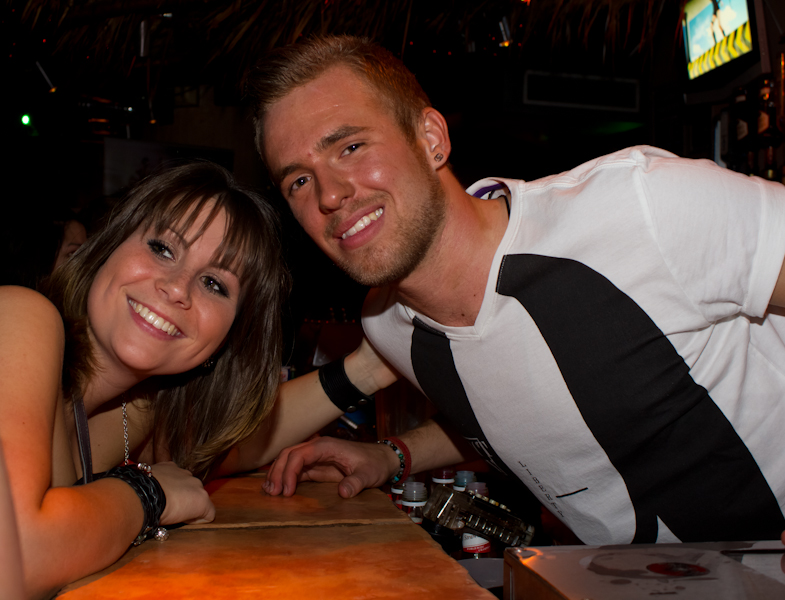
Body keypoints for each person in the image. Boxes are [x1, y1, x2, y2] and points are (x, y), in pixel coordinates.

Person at [247, 35, 785, 546]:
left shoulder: (638, 206)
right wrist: (394, 455)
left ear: (430, 139)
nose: (329, 195)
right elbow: (517, 411)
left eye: (351, 146)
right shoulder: (388, 325)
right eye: (298, 181)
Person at [0, 160, 380, 598]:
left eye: (214, 284)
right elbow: (20, 554)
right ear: (107, 246)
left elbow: (229, 446)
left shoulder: (126, 416)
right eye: (162, 248)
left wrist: (370, 366)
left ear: (226, 341)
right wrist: (146, 494)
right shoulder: (20, 317)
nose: (177, 288)